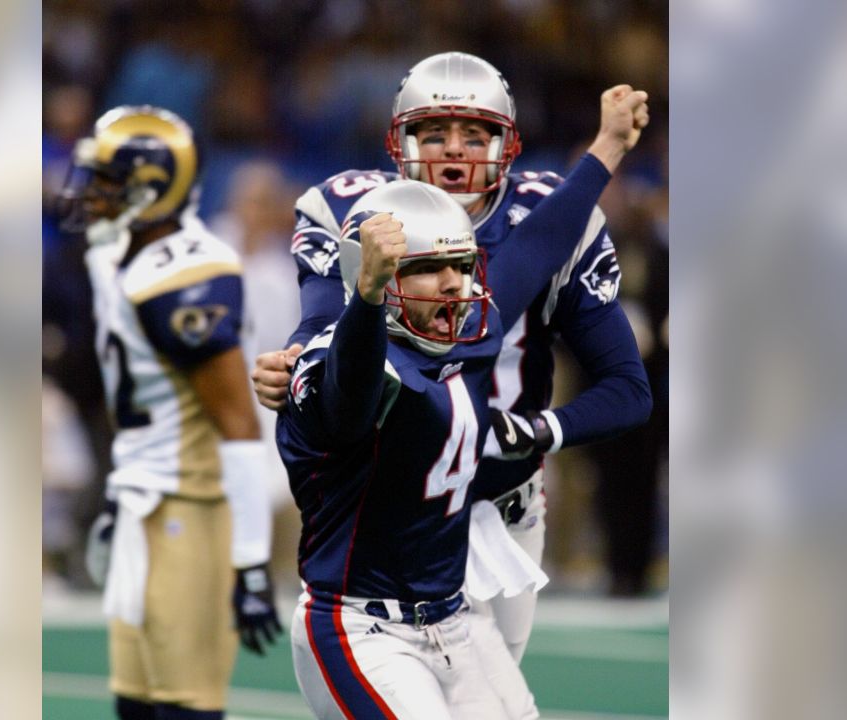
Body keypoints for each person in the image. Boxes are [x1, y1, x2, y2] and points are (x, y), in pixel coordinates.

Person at [253, 51, 653, 706]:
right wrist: (296, 362)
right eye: (434, 132)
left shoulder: (495, 291)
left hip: (501, 506)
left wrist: (528, 431)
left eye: (475, 133)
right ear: (398, 140)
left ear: (507, 143)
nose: (454, 152)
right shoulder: (354, 217)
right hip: (384, 526)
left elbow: (621, 381)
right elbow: (332, 328)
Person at [279, 171, 616, 719]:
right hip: (362, 627)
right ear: (370, 275)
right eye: (426, 269)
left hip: (455, 618)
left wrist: (604, 154)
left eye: (461, 265)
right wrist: (365, 301)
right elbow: (349, 404)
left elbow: (535, 247)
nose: (453, 284)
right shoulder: (334, 363)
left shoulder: (473, 332)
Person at [61, 105, 280, 720]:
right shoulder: (115, 254)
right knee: (134, 705)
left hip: (195, 507)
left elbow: (239, 426)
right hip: (141, 497)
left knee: (186, 709)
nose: (89, 195)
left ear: (150, 188)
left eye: (106, 181)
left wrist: (252, 560)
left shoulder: (190, 273)